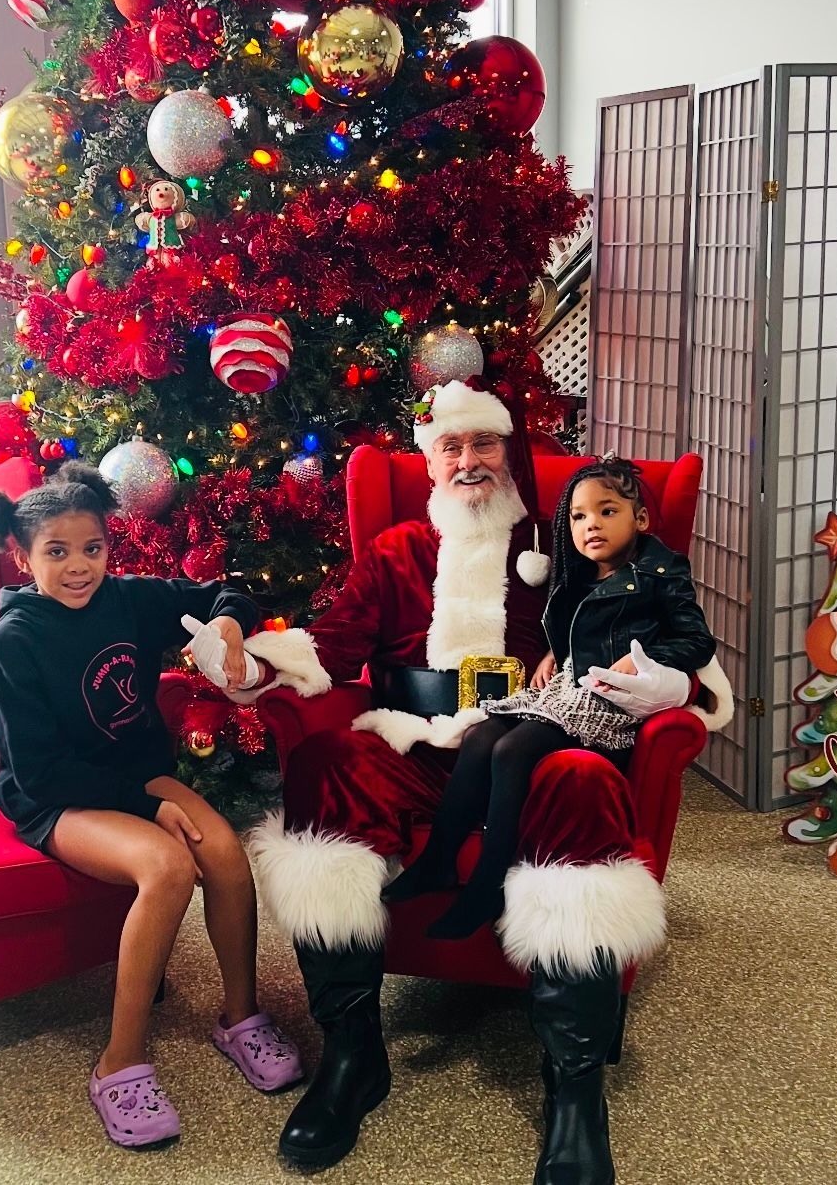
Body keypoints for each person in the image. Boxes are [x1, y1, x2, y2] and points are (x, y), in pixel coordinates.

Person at [242, 382, 733, 1182]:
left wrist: (664, 682)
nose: (469, 463)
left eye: (485, 445)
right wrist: (255, 660)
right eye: (452, 448)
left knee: (581, 780)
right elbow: (330, 645)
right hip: (418, 741)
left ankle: (575, 1089)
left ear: (512, 453)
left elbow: (652, 626)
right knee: (328, 767)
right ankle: (353, 1055)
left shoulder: (569, 544)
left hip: (537, 742)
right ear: (429, 461)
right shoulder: (399, 549)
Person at [0, 462, 302, 1150]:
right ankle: (119, 1061)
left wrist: (230, 630)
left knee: (228, 856)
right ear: (20, 557)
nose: (80, 566)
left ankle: (240, 1018)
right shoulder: (12, 643)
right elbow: (40, 771)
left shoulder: (126, 599)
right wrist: (149, 805)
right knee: (169, 867)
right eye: (56, 552)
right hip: (56, 799)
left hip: (139, 782)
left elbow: (221, 593)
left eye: (92, 548)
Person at [383, 455, 716, 940]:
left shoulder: (661, 572)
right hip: (568, 688)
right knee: (481, 735)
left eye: (607, 511)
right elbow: (577, 634)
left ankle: (488, 884)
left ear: (639, 518)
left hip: (612, 700)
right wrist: (552, 655)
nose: (591, 526)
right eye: (579, 517)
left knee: (512, 749)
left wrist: (641, 657)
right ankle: (438, 859)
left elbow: (696, 641)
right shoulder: (581, 575)